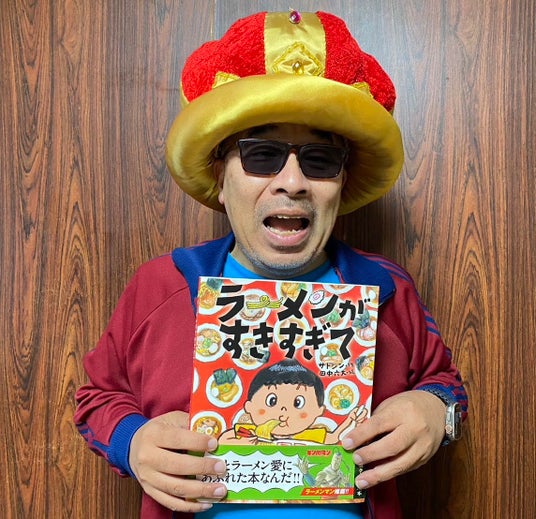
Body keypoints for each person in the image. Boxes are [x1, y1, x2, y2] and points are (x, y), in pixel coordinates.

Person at [74, 10, 468, 519]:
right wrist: (131, 442)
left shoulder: (388, 288)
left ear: (342, 183)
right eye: (261, 155)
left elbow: (445, 383)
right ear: (220, 177)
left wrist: (437, 412)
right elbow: (97, 398)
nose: (293, 182)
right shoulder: (161, 284)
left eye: (319, 161)